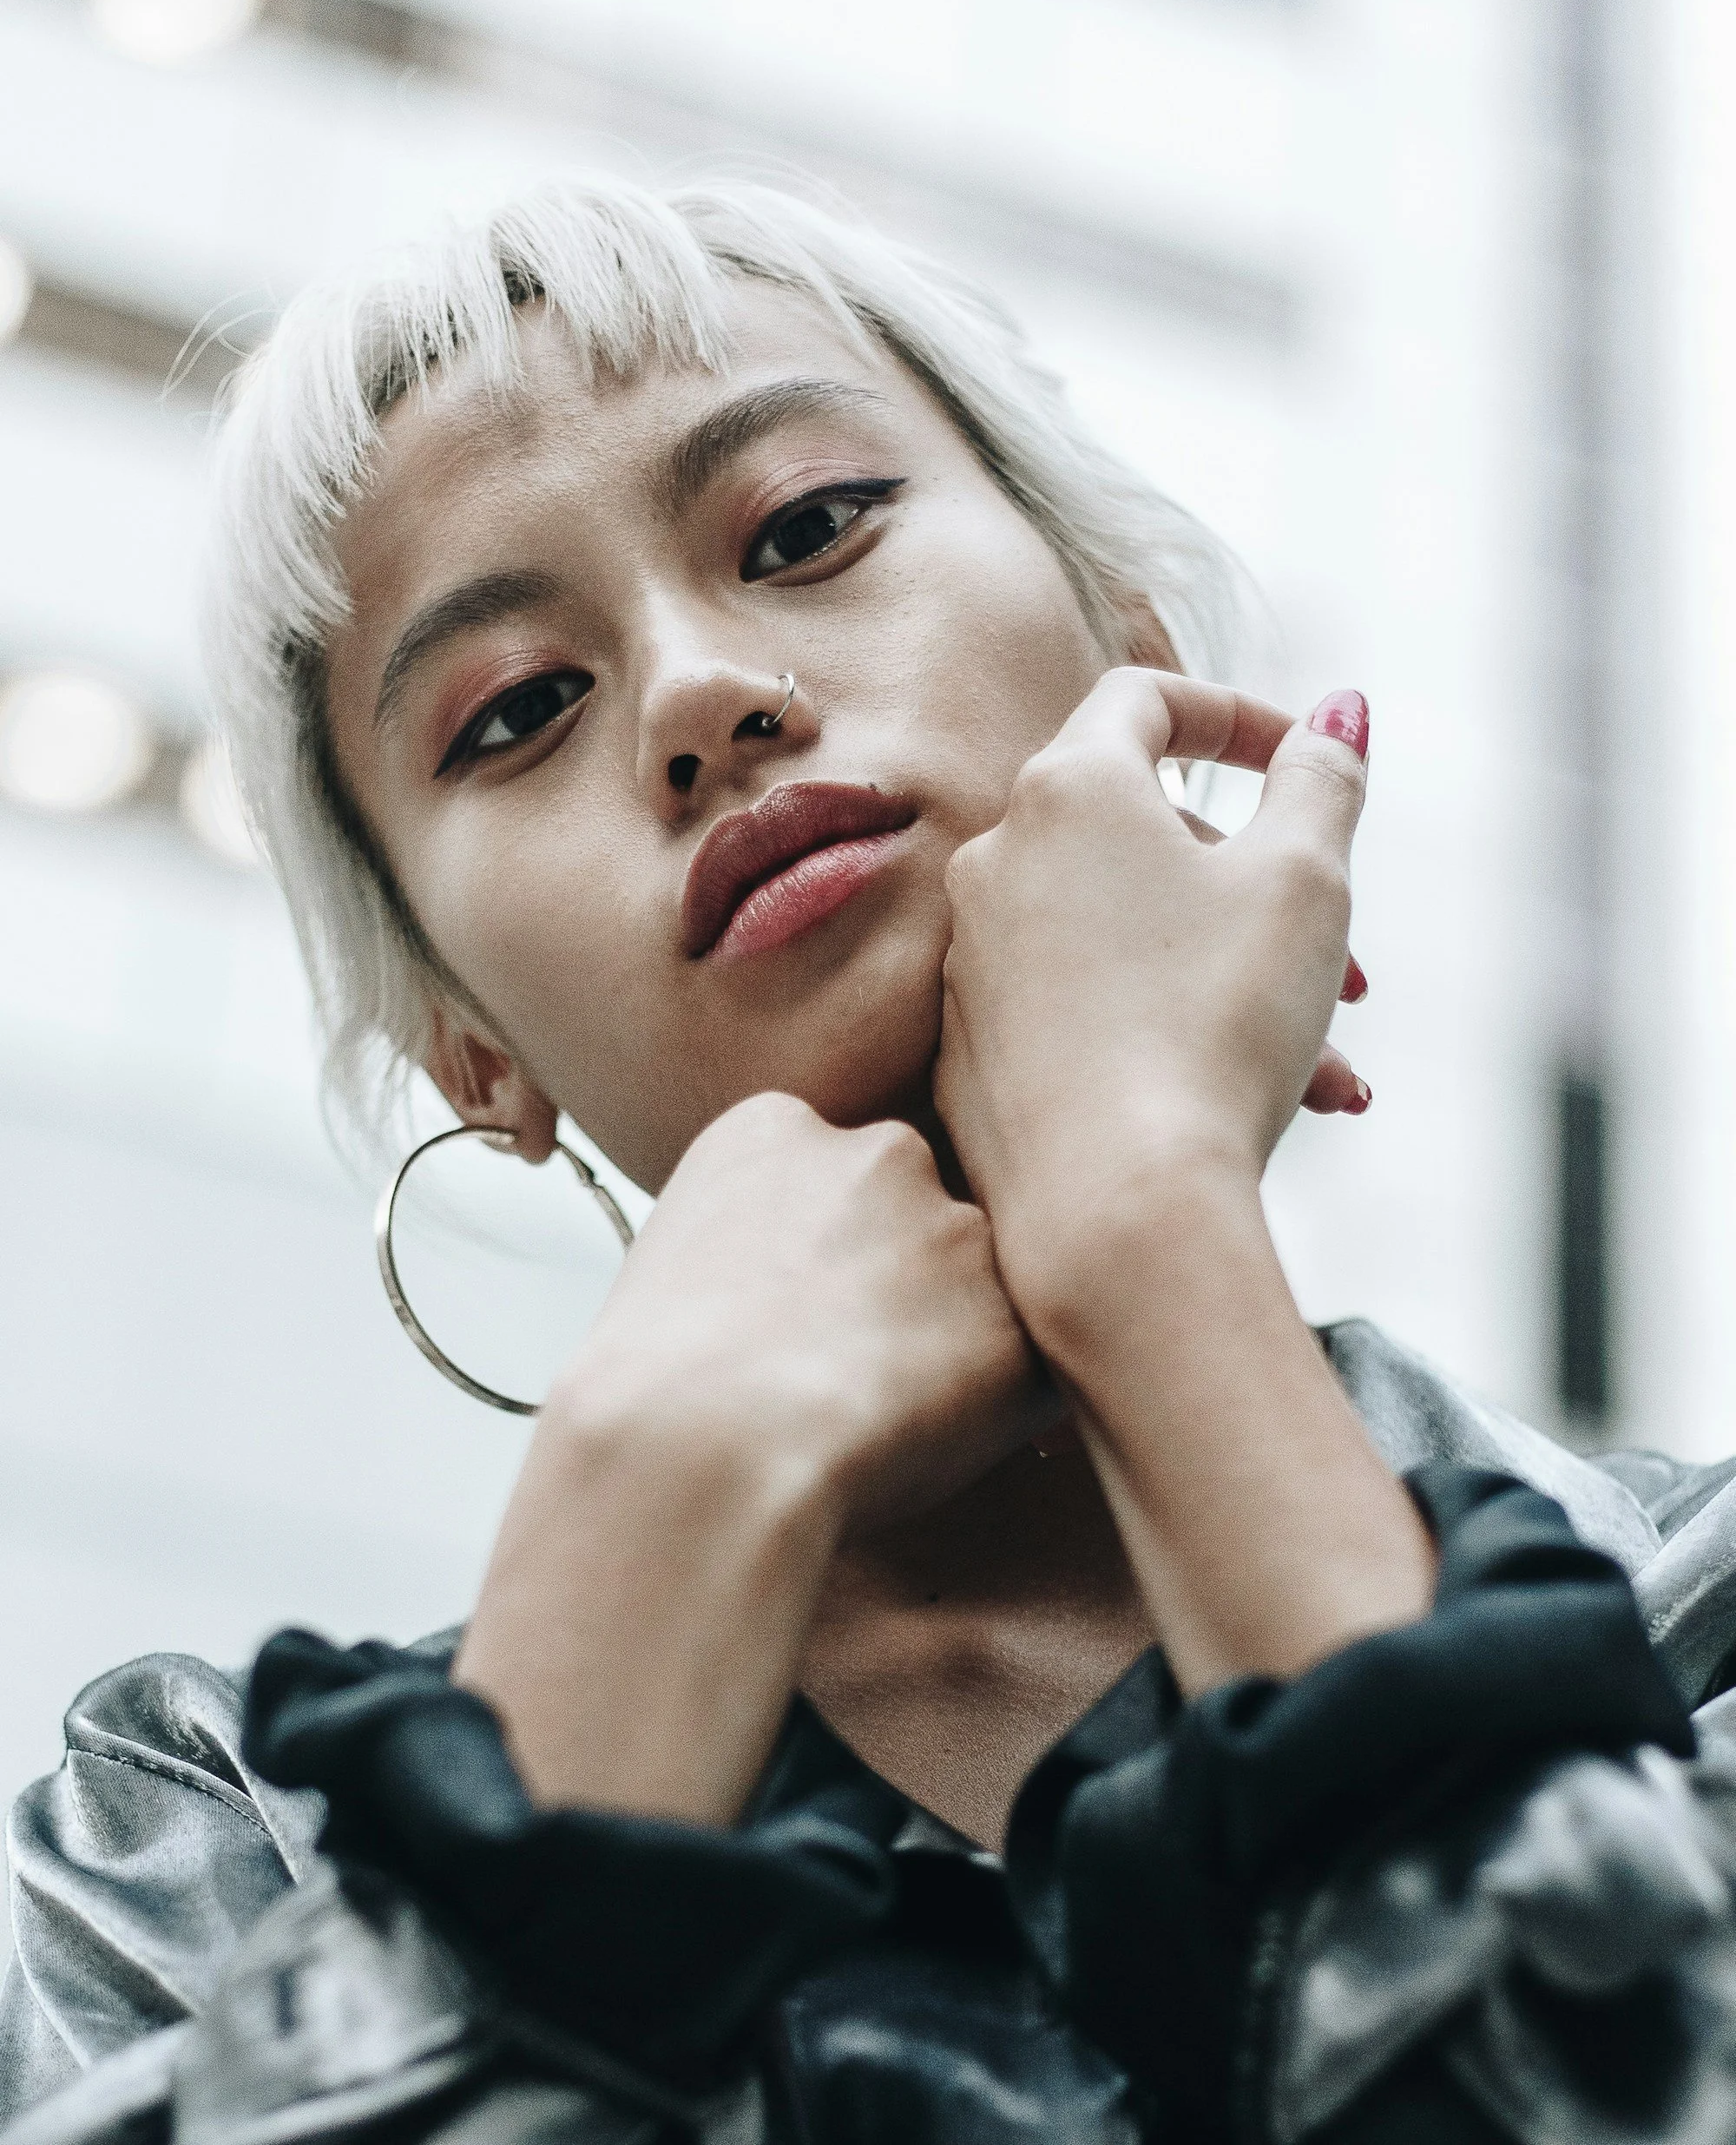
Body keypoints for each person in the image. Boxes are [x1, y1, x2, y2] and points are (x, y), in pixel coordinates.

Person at [7, 176, 1736, 2145]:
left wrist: (1150, 1242)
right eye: (516, 710)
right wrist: (640, 1550)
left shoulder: (1698, 1607)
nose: (693, 695)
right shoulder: (199, 1858)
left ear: (1132, 666)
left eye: (810, 525)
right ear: (472, 1048)